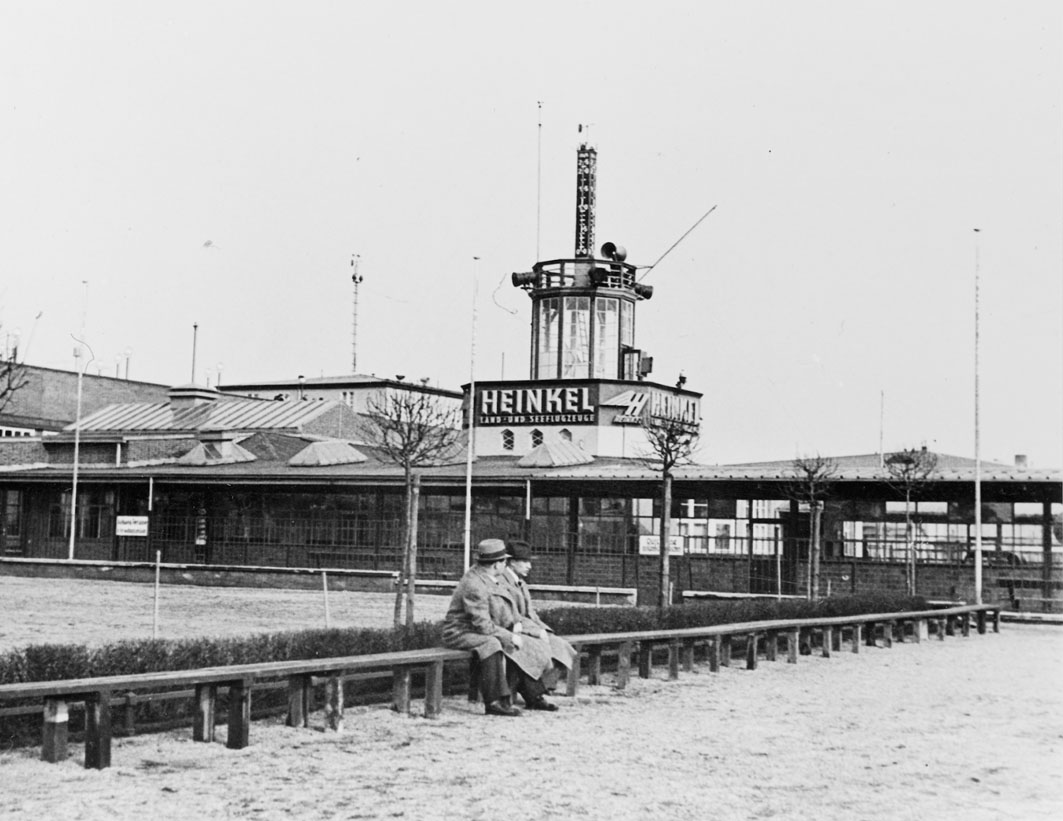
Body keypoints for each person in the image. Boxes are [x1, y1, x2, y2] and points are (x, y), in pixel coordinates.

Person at [441, 538, 558, 716]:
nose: (506, 565)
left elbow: (498, 613)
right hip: (459, 632)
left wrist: (517, 629)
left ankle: (533, 696)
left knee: (517, 642)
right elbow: (483, 625)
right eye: (504, 561)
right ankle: (495, 702)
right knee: (493, 644)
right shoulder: (475, 584)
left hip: (477, 630)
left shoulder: (487, 577)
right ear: (496, 565)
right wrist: (509, 636)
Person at [503, 540, 576, 691]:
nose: (529, 566)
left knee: (561, 646)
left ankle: (544, 687)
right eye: (524, 561)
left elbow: (531, 614)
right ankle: (532, 691)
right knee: (536, 650)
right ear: (511, 562)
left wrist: (544, 630)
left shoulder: (520, 582)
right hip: (513, 630)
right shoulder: (504, 582)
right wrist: (536, 631)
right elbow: (512, 615)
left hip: (527, 628)